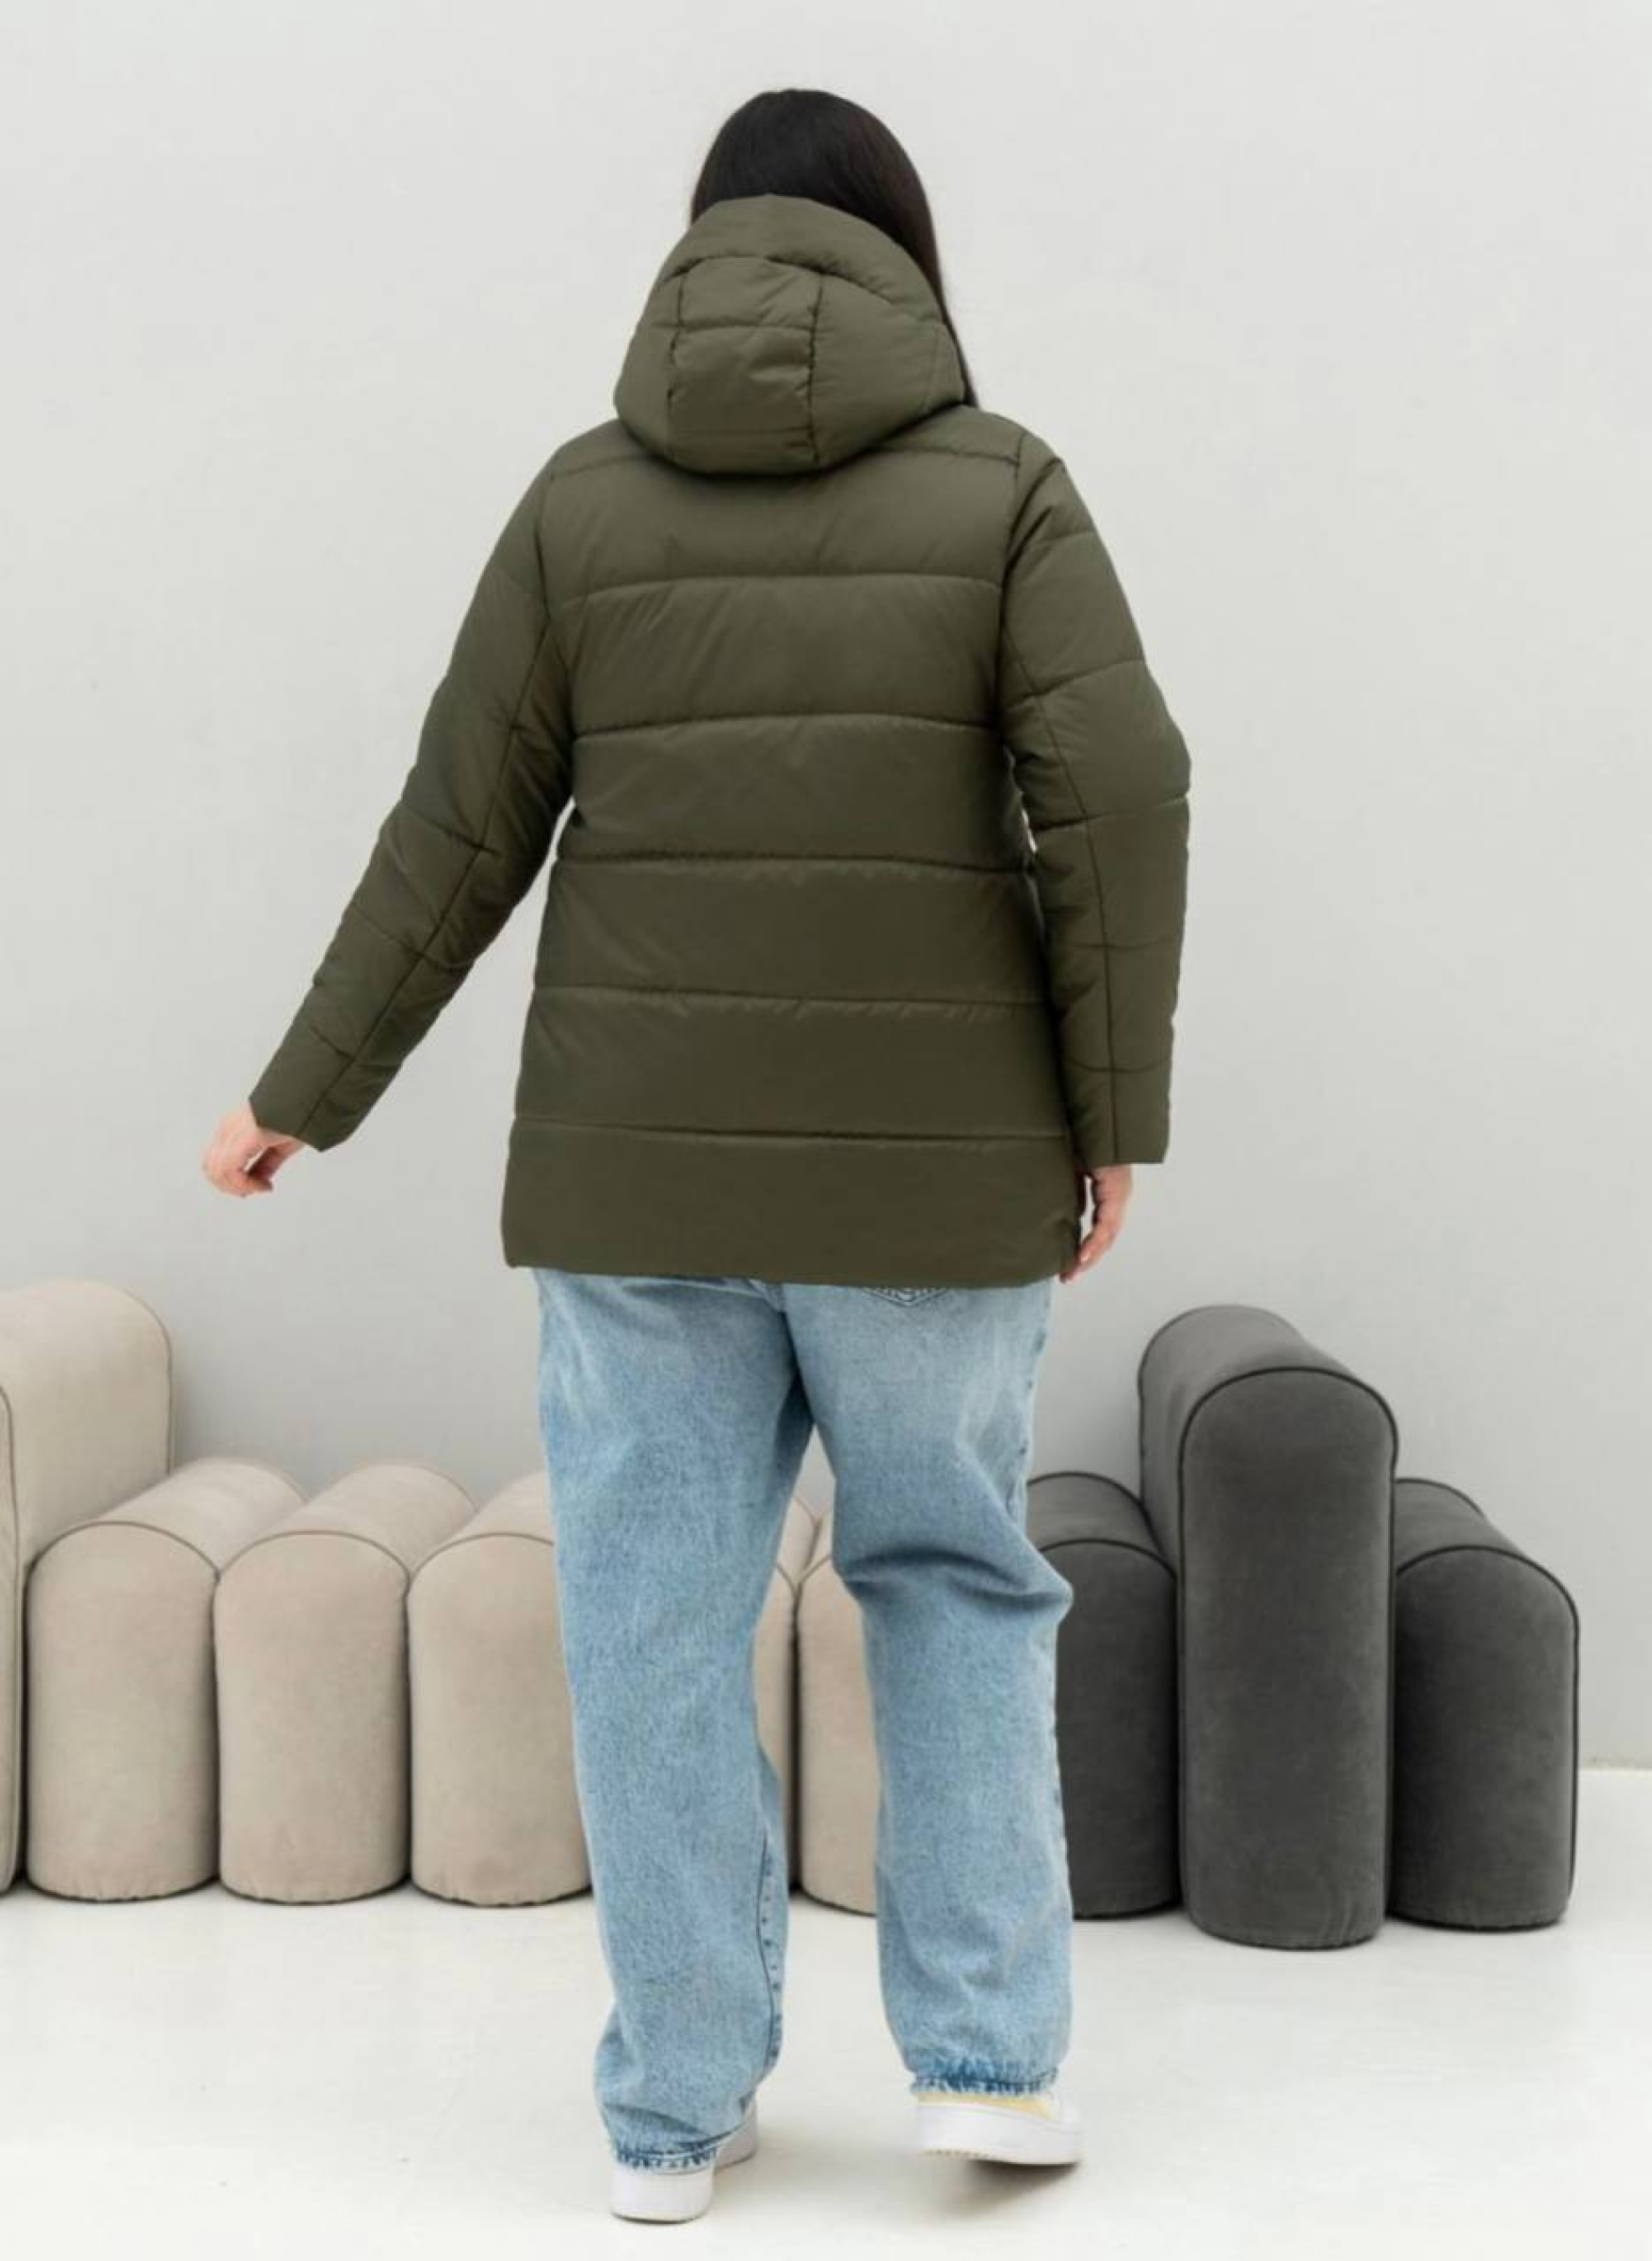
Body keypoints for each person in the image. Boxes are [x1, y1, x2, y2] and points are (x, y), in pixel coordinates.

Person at [203, 85, 1191, 2224]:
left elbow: (452, 833)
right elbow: (1119, 789)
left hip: (636, 1190)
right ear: (901, 253)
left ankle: (670, 2109)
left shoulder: (583, 504)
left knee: (649, 1623)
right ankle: (987, 2068)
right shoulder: (1005, 487)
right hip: (935, 1183)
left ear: (699, 248)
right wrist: (1115, 1112)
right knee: (950, 1586)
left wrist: (303, 1090)